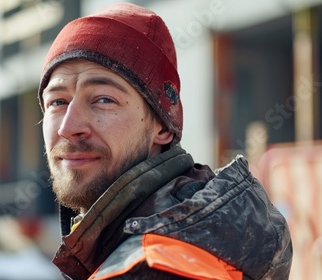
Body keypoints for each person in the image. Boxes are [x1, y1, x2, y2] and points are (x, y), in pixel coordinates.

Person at [38, 3, 292, 280]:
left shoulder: (155, 265)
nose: (68, 127)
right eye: (57, 102)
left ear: (163, 127)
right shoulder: (189, 239)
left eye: (103, 99)